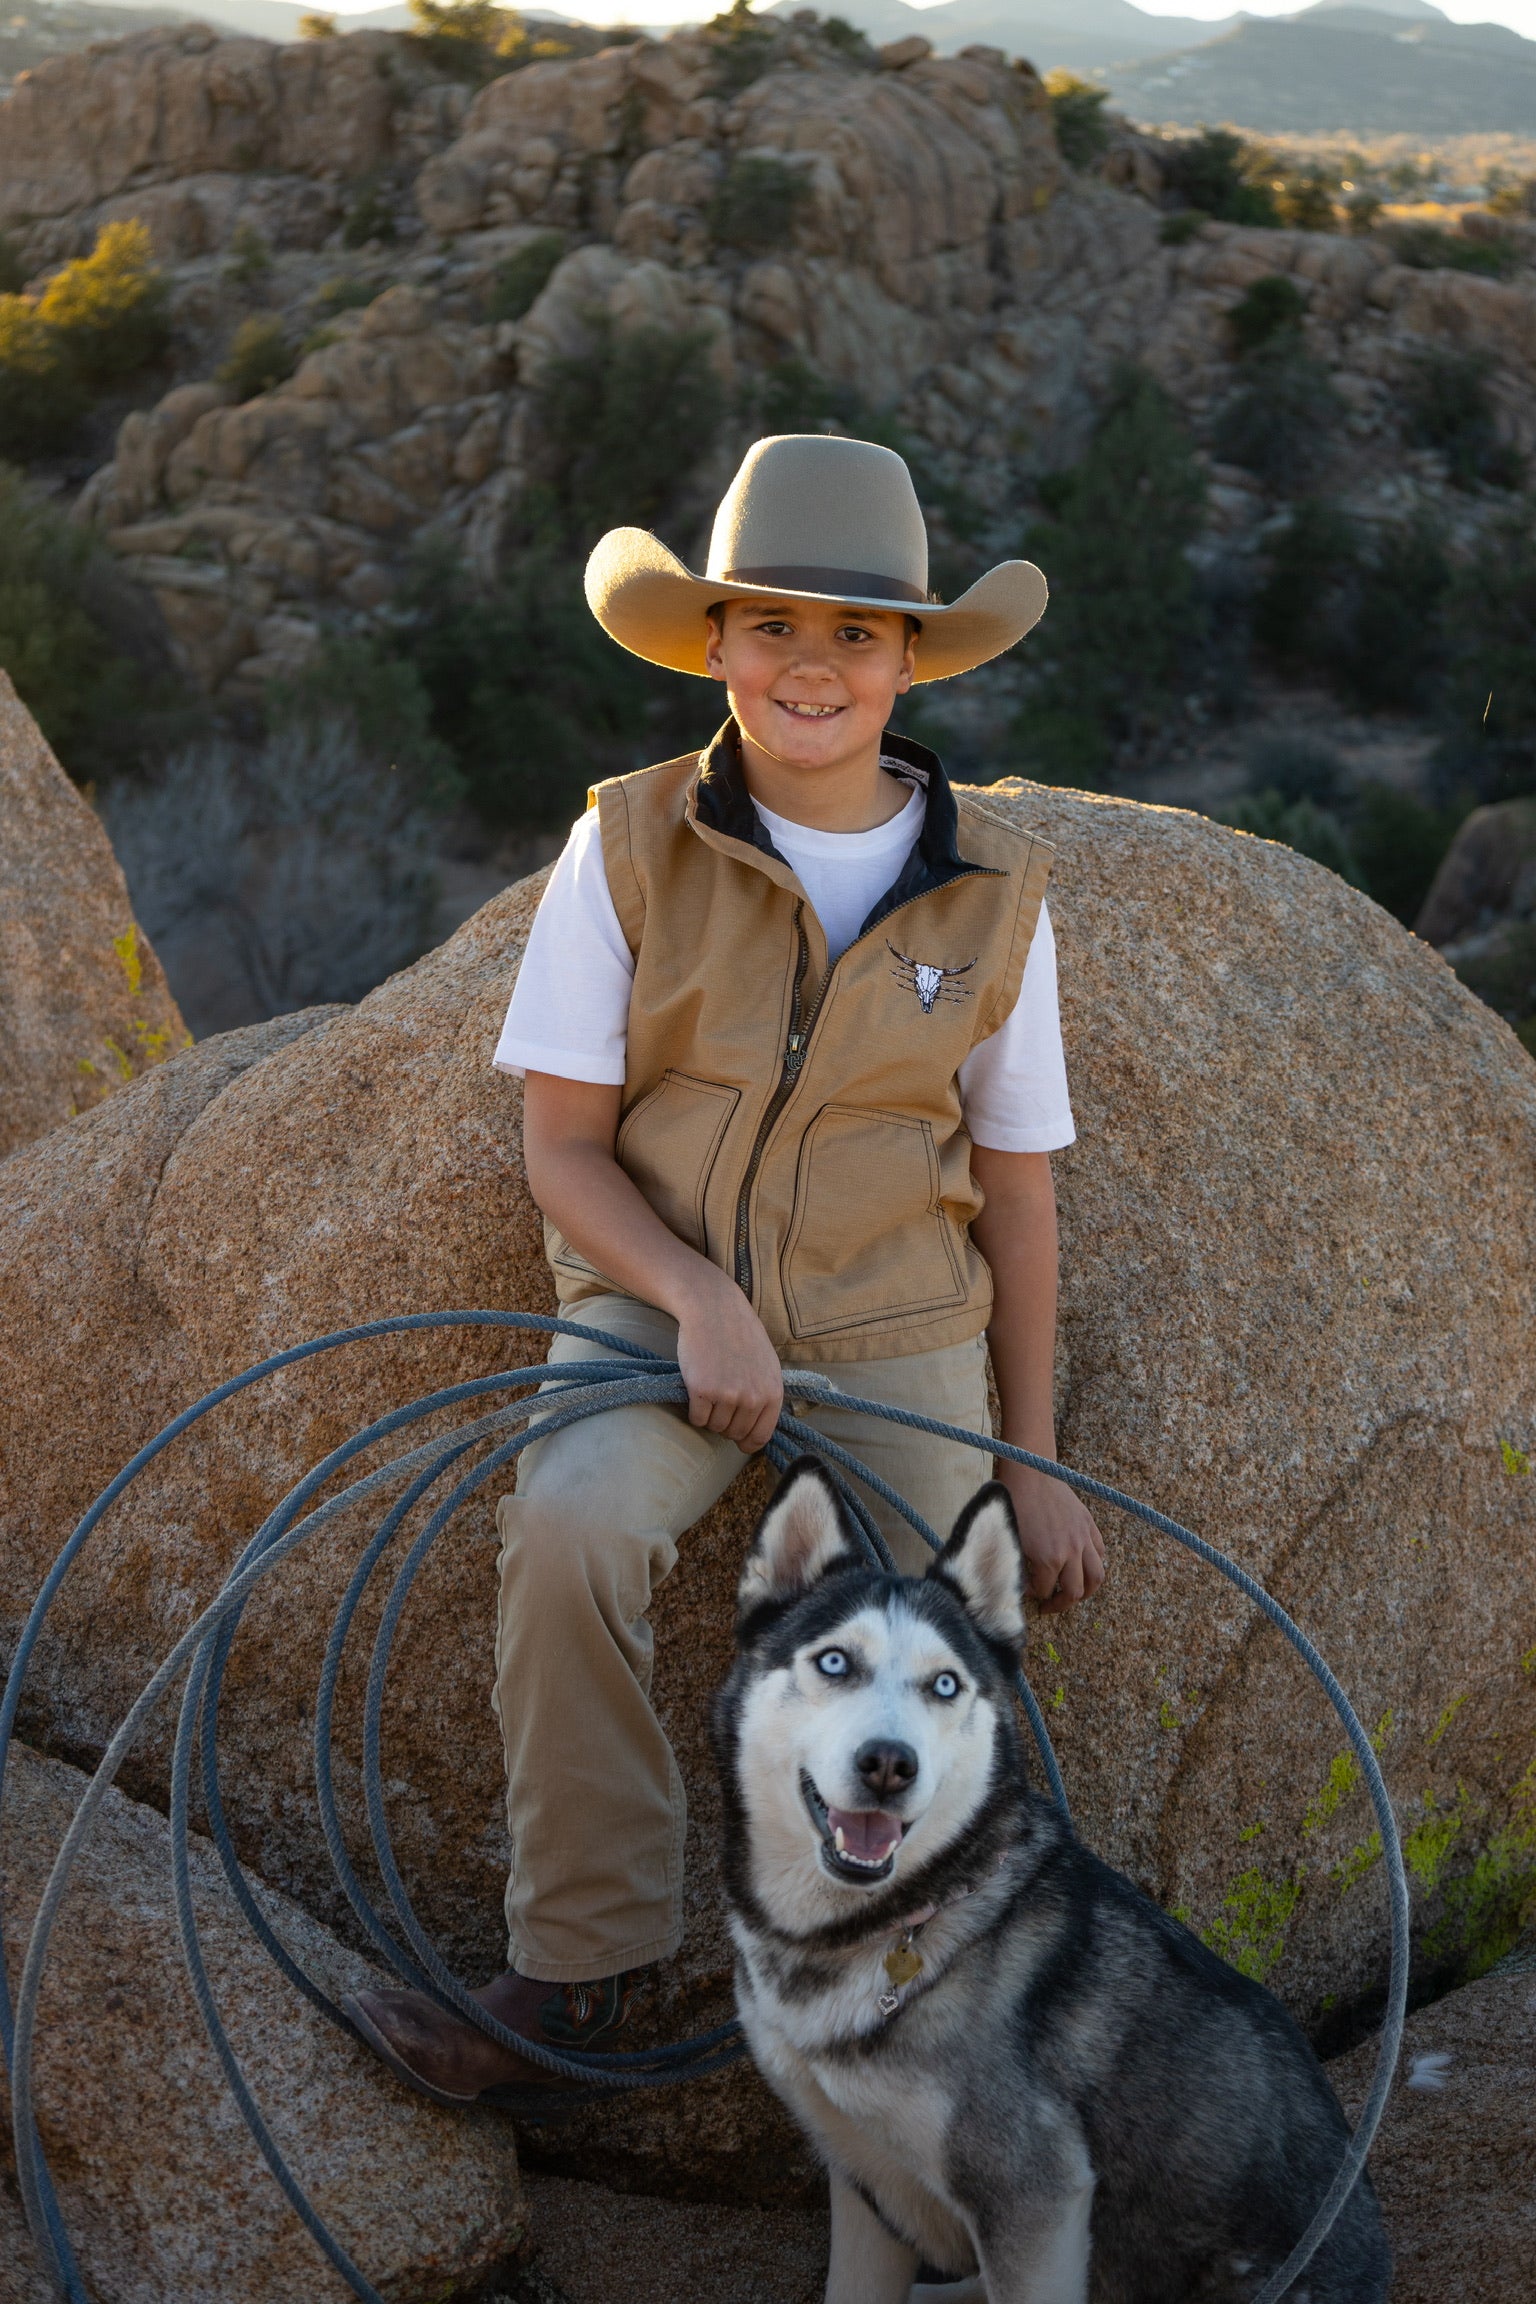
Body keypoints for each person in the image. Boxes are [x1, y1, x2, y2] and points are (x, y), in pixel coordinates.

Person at [346, 433, 1107, 2101]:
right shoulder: (625, 847)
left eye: (853, 634)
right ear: (711, 645)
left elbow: (1019, 1183)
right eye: (771, 625)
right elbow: (562, 1144)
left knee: (942, 1651)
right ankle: (583, 1972)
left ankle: (909, 2019)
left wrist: (1032, 1464)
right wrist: (692, 1296)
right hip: (650, 1296)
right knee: (567, 1526)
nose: (810, 666)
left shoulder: (997, 896)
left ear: (910, 660)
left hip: (899, 1323)